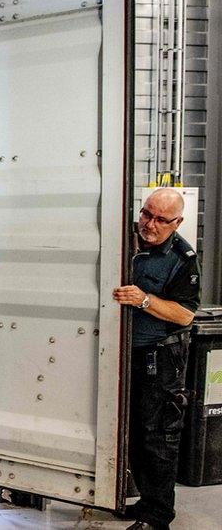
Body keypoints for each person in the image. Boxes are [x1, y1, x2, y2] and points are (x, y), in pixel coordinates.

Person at [112, 188, 201, 530]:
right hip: (122, 354)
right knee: (131, 431)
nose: (149, 224)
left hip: (160, 357)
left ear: (177, 222)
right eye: (147, 214)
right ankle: (145, 502)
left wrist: (144, 300)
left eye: (161, 220)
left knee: (158, 435)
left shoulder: (182, 258)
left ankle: (158, 515)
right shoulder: (124, 239)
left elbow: (184, 315)